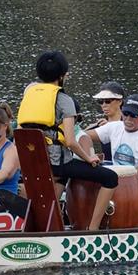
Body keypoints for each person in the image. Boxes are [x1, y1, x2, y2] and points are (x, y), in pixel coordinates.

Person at [18, 50, 119, 230]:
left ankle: (47, 226)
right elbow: (71, 141)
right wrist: (89, 159)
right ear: (63, 75)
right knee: (110, 178)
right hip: (56, 163)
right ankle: (93, 229)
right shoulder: (64, 100)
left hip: (32, 163)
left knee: (62, 177)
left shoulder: (29, 96)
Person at [87, 94, 138, 174]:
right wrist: (89, 154)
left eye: (134, 115)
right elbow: (83, 136)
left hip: (137, 179)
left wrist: (125, 173)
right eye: (126, 113)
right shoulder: (114, 126)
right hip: (114, 175)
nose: (128, 119)